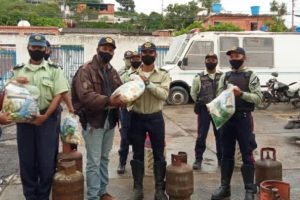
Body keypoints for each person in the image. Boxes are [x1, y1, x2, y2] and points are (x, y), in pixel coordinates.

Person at [12, 33, 69, 200]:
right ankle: (30, 196)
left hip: (47, 120)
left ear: (45, 49)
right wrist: (13, 83)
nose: (37, 50)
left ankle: (43, 195)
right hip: (24, 120)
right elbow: (10, 94)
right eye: (34, 47)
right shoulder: (18, 70)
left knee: (46, 161)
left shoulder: (54, 70)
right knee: (27, 161)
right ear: (28, 48)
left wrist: (45, 116)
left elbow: (58, 94)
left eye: (40, 47)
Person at [71, 36, 125, 200]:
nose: (107, 51)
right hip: (93, 121)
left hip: (109, 121)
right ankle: (93, 196)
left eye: (110, 49)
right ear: (97, 49)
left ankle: (102, 192)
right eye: (104, 48)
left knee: (104, 158)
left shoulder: (112, 71)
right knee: (94, 161)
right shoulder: (86, 70)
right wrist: (109, 100)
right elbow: (86, 96)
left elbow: (120, 89)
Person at [211, 47, 262, 200]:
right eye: (231, 56)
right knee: (226, 154)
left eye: (237, 55)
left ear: (244, 57)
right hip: (227, 119)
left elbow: (258, 98)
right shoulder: (225, 76)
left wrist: (242, 94)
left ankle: (249, 190)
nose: (234, 58)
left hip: (244, 118)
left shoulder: (250, 75)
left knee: (247, 153)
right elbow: (219, 96)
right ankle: (225, 187)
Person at [128, 42, 171, 200]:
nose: (147, 55)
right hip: (137, 117)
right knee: (137, 154)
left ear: (156, 54)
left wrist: (147, 83)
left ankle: (159, 189)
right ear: (140, 55)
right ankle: (137, 188)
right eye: (144, 52)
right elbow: (128, 95)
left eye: (150, 52)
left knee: (159, 154)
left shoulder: (163, 74)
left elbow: (164, 95)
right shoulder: (131, 75)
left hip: (155, 118)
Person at [190, 53, 223, 170]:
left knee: (220, 136)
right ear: (205, 61)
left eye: (213, 59)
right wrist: (203, 103)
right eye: (208, 59)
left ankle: (221, 160)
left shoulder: (222, 76)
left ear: (217, 61)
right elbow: (193, 94)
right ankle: (198, 159)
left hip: (218, 110)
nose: (211, 61)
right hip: (204, 110)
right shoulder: (199, 77)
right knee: (201, 135)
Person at [117, 51, 142, 174]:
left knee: (139, 137)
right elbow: (118, 91)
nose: (135, 60)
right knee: (125, 136)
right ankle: (122, 162)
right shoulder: (124, 75)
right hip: (126, 110)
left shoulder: (144, 74)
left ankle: (138, 163)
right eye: (132, 58)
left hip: (140, 110)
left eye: (138, 58)